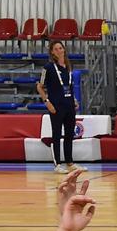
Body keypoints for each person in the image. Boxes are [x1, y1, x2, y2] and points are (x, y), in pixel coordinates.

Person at [37, 40, 79, 174]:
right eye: (56, 49)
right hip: (56, 106)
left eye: (61, 48)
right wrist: (46, 102)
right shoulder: (48, 68)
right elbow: (39, 86)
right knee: (56, 134)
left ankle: (70, 162)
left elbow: (69, 85)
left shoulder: (68, 66)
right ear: (52, 52)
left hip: (69, 105)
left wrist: (75, 100)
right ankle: (57, 164)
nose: (59, 51)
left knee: (69, 134)